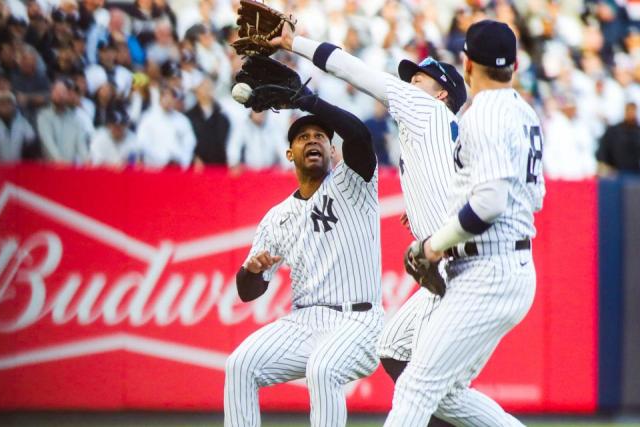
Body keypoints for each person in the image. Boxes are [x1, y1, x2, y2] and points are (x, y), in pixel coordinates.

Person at [272, 17, 466, 427]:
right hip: (450, 265)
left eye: (422, 78)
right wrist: (424, 211)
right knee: (398, 354)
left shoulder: (426, 108)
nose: (412, 82)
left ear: (442, 92)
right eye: (411, 78)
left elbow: (352, 69)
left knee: (417, 374)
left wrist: (296, 42)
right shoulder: (445, 133)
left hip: (458, 269)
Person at [383, 20, 544, 426]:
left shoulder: (482, 114)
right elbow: (533, 198)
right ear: (516, 64)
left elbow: (488, 202)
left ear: (467, 63)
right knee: (446, 394)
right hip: (515, 265)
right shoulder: (525, 114)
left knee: (415, 389)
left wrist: (435, 243)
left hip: (486, 269)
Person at [224, 91, 383, 427]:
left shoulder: (353, 182)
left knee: (323, 369)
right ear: (289, 153)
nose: (312, 141)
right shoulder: (278, 216)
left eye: (320, 137)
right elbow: (247, 292)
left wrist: (307, 100)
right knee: (240, 365)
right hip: (305, 322)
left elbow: (359, 135)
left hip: (360, 321)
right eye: (303, 137)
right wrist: (250, 272)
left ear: (332, 150)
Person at [597, 102, 640, 177]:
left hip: (637, 175)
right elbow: (602, 154)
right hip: (616, 174)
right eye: (628, 110)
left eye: (633, 111)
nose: (631, 113)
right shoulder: (612, 132)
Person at [0, 91, 37, 162]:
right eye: (2, 103)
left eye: (9, 102)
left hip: (18, 166)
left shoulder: (22, 121)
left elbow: (31, 142)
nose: (6, 106)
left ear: (14, 105)